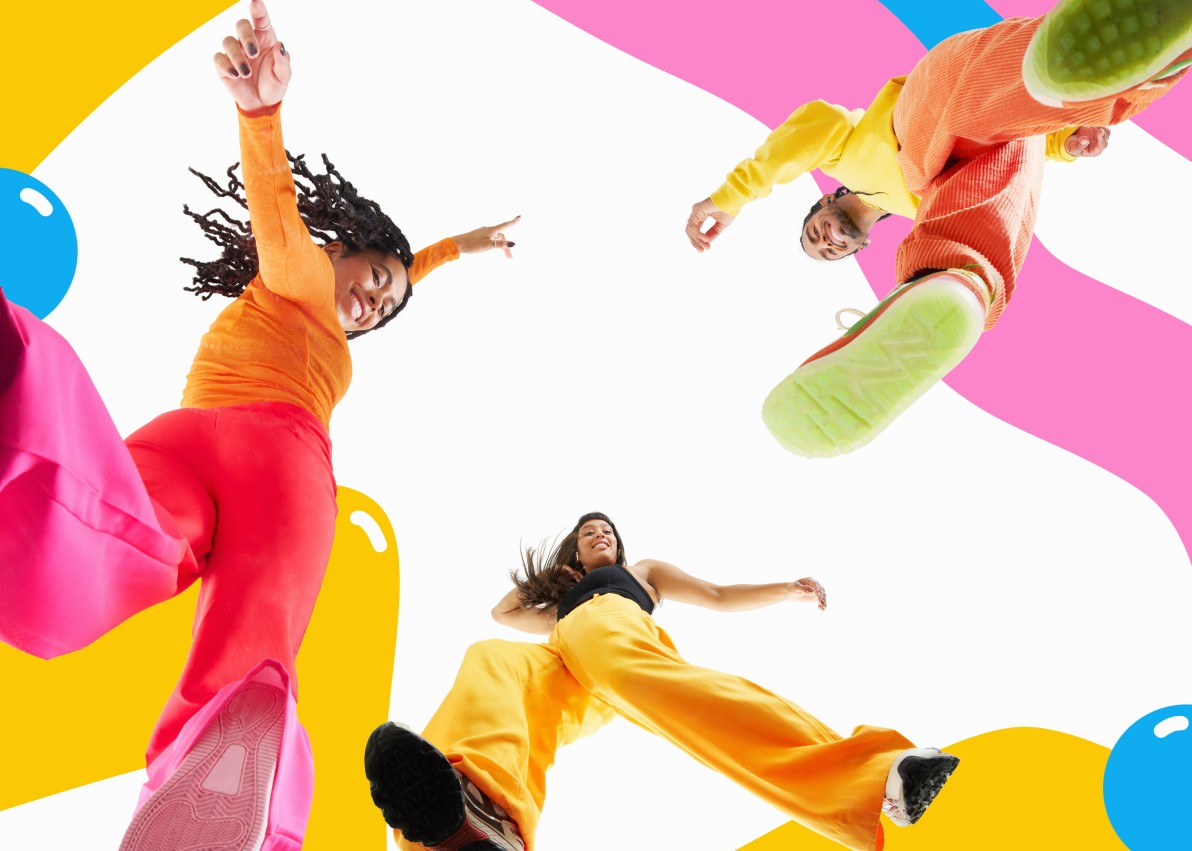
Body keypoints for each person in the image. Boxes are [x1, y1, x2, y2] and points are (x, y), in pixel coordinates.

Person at [0, 2, 515, 847]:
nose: (372, 298)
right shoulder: (301, 272)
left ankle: (15, 404)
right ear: (342, 247)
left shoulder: (323, 304)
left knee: (124, 519)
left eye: (384, 304)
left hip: (189, 444)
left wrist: (456, 248)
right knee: (253, 640)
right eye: (372, 275)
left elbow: (403, 268)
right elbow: (276, 204)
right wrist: (261, 112)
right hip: (282, 467)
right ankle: (217, 778)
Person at [684, 0, 1192, 458]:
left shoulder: (841, 150)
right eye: (830, 250)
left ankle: (1051, 63)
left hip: (932, 102)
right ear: (860, 247)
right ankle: (961, 282)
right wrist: (1067, 144)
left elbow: (795, 142)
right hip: (988, 148)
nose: (827, 239)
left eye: (814, 231)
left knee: (968, 119)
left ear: (824, 198)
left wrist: (730, 199)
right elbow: (1012, 152)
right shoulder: (929, 214)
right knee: (1008, 166)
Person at [364, 512, 958, 851]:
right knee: (493, 659)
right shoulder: (562, 599)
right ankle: (475, 816)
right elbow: (504, 614)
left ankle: (876, 777)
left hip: (616, 641)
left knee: (701, 705)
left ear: (623, 546)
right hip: (565, 662)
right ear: (574, 547)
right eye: (588, 532)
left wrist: (790, 590)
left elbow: (720, 597)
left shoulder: (641, 576)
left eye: (608, 532)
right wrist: (559, 574)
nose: (601, 536)